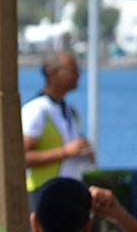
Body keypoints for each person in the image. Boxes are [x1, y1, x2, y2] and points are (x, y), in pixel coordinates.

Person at [22, 50, 95, 201]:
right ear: (53, 73)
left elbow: (72, 148)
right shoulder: (36, 110)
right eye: (73, 70)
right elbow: (22, 157)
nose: (78, 75)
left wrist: (84, 151)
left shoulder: (70, 109)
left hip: (68, 191)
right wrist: (65, 152)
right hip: (43, 193)